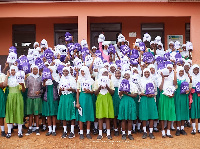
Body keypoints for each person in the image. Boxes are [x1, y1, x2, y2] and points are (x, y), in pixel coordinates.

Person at [4, 65, 25, 138]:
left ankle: (19, 131)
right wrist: (7, 76)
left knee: (19, 113)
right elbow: (4, 84)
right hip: (10, 97)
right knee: (10, 113)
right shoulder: (9, 78)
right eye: (11, 70)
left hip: (18, 97)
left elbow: (23, 90)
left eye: (14, 70)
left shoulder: (19, 79)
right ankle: (9, 132)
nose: (13, 71)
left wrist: (22, 85)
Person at [94, 68, 114, 140]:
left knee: (107, 116)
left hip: (107, 98)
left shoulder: (110, 81)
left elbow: (112, 93)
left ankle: (108, 133)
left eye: (106, 72)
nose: (105, 74)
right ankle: (100, 133)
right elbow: (95, 93)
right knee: (100, 116)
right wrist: (100, 87)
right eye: (103, 73)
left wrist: (107, 86)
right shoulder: (97, 81)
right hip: (100, 98)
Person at [57, 67, 77, 138]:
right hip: (63, 97)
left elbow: (75, 90)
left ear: (69, 72)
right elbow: (59, 93)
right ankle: (65, 131)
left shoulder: (72, 79)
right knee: (64, 114)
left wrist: (71, 89)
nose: (65, 72)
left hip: (70, 96)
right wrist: (60, 90)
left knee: (71, 113)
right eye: (64, 71)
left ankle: (72, 131)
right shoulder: (61, 79)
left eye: (66, 71)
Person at [139, 68, 158, 139]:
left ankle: (151, 132)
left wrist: (152, 94)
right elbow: (138, 92)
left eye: (148, 72)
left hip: (151, 99)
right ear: (143, 73)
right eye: (145, 72)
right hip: (144, 99)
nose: (147, 74)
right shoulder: (140, 81)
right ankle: (144, 132)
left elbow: (156, 91)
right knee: (144, 116)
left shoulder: (153, 80)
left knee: (151, 116)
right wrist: (145, 94)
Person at [118, 71, 138, 140]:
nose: (126, 75)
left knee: (130, 119)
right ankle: (123, 133)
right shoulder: (121, 84)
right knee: (123, 119)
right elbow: (119, 94)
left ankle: (129, 133)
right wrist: (122, 91)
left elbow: (135, 95)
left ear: (130, 75)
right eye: (125, 74)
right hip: (123, 101)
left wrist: (128, 94)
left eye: (127, 74)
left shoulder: (133, 84)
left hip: (130, 101)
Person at [76, 66, 95, 139]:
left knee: (88, 115)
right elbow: (78, 92)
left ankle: (87, 132)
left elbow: (93, 91)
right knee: (81, 115)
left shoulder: (91, 80)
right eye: (81, 71)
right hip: (82, 97)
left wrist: (89, 91)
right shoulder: (79, 80)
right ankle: (81, 133)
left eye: (83, 71)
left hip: (89, 98)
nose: (82, 73)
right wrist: (77, 102)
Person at [158, 67, 177, 138]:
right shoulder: (160, 79)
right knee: (163, 114)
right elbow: (160, 89)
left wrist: (173, 94)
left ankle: (168, 131)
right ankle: (163, 131)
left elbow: (175, 85)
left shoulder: (171, 78)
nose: (166, 76)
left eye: (167, 75)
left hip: (170, 97)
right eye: (165, 75)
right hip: (163, 97)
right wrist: (163, 79)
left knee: (170, 113)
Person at [25, 65, 43, 136]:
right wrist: (25, 79)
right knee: (30, 114)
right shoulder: (29, 77)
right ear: (32, 70)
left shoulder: (40, 78)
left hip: (37, 97)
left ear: (38, 70)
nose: (35, 71)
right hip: (30, 97)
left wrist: (40, 92)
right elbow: (26, 86)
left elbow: (42, 88)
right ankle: (30, 128)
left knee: (36, 114)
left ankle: (37, 128)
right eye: (34, 69)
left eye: (36, 70)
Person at [42, 67, 59, 136]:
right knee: (48, 114)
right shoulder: (44, 78)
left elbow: (56, 84)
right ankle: (50, 130)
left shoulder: (56, 77)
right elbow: (43, 88)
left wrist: (51, 75)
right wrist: (44, 81)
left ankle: (54, 130)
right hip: (47, 98)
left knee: (53, 114)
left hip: (53, 97)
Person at [174, 66, 190, 136]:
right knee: (178, 112)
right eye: (180, 71)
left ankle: (182, 128)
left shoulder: (186, 78)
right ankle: (177, 128)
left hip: (184, 97)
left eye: (182, 71)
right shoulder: (176, 78)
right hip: (177, 96)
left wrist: (188, 90)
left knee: (183, 111)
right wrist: (175, 73)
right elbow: (175, 85)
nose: (181, 72)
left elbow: (189, 87)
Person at [190, 65, 200, 135]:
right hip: (193, 95)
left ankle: (199, 128)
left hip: (199, 96)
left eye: (197, 69)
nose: (196, 71)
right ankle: (194, 128)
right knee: (193, 110)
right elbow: (189, 86)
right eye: (194, 69)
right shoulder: (190, 77)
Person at [111, 69, 121, 136]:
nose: (118, 75)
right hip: (114, 98)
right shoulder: (112, 81)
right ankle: (116, 129)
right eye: (116, 73)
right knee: (114, 113)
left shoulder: (122, 81)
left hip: (121, 98)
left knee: (120, 113)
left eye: (119, 73)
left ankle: (121, 128)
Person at [0, 68, 6, 137]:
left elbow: (3, 85)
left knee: (1, 114)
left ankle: (3, 131)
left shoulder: (2, 75)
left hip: (1, 95)